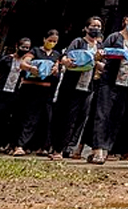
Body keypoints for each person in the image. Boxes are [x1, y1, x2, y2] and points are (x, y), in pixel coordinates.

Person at [89, 10, 128, 164]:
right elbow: (102, 54)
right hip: (109, 81)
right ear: (126, 20)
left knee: (117, 116)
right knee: (103, 114)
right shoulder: (114, 37)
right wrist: (99, 55)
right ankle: (98, 149)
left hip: (127, 83)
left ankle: (108, 148)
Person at [50, 16, 104, 160]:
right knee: (67, 116)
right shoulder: (78, 42)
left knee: (81, 118)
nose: (96, 29)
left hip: (88, 87)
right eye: (93, 26)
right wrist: (68, 63)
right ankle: (57, 149)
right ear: (86, 28)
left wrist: (97, 62)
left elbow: (102, 66)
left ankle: (70, 148)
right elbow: (65, 58)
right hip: (72, 85)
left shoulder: (99, 47)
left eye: (99, 26)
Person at [0, 37, 33, 152]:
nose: (25, 49)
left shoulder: (26, 64)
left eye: (27, 48)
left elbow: (23, 79)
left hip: (14, 94)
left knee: (5, 120)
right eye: (23, 47)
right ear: (17, 46)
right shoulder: (6, 60)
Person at [12, 30, 61, 156]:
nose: (51, 43)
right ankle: (18, 145)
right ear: (44, 39)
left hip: (46, 90)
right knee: (26, 117)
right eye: (50, 40)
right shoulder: (35, 51)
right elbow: (23, 63)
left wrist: (55, 70)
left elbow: (56, 69)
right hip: (30, 88)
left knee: (44, 119)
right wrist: (31, 68)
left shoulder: (56, 54)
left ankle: (37, 146)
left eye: (54, 41)